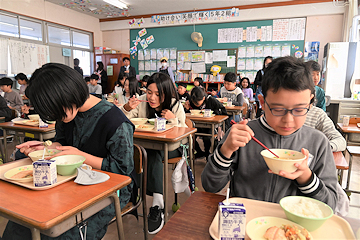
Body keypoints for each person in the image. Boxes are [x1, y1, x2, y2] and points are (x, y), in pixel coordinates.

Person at [2, 63, 134, 240]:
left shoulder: (115, 122)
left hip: (110, 189)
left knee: (61, 232)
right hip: (72, 181)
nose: (56, 118)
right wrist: (45, 149)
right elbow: (62, 143)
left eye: (56, 111)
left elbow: (122, 171)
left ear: (67, 95)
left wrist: (81, 156)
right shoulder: (66, 112)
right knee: (21, 223)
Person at [201, 56, 338, 211]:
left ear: (311, 101)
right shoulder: (242, 134)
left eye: (299, 109)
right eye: (278, 109)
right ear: (262, 102)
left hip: (291, 229)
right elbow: (210, 186)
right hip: (245, 221)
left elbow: (330, 205)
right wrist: (225, 150)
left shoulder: (318, 142)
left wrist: (306, 177)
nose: (288, 120)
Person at [120, 72, 186, 234]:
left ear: (166, 93)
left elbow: (185, 132)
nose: (152, 98)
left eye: (158, 94)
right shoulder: (142, 102)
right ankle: (135, 195)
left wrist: (173, 119)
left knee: (152, 153)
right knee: (137, 153)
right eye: (149, 92)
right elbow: (122, 119)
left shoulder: (174, 104)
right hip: (147, 147)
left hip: (172, 147)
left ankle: (156, 204)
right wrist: (127, 107)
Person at [186, 86, 229, 158]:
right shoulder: (191, 101)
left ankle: (207, 154)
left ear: (203, 98)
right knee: (189, 136)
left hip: (210, 125)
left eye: (198, 103)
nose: (195, 104)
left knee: (207, 138)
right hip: (197, 124)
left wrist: (216, 116)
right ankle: (199, 152)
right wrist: (187, 109)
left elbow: (223, 112)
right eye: (194, 103)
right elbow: (188, 115)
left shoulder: (211, 100)